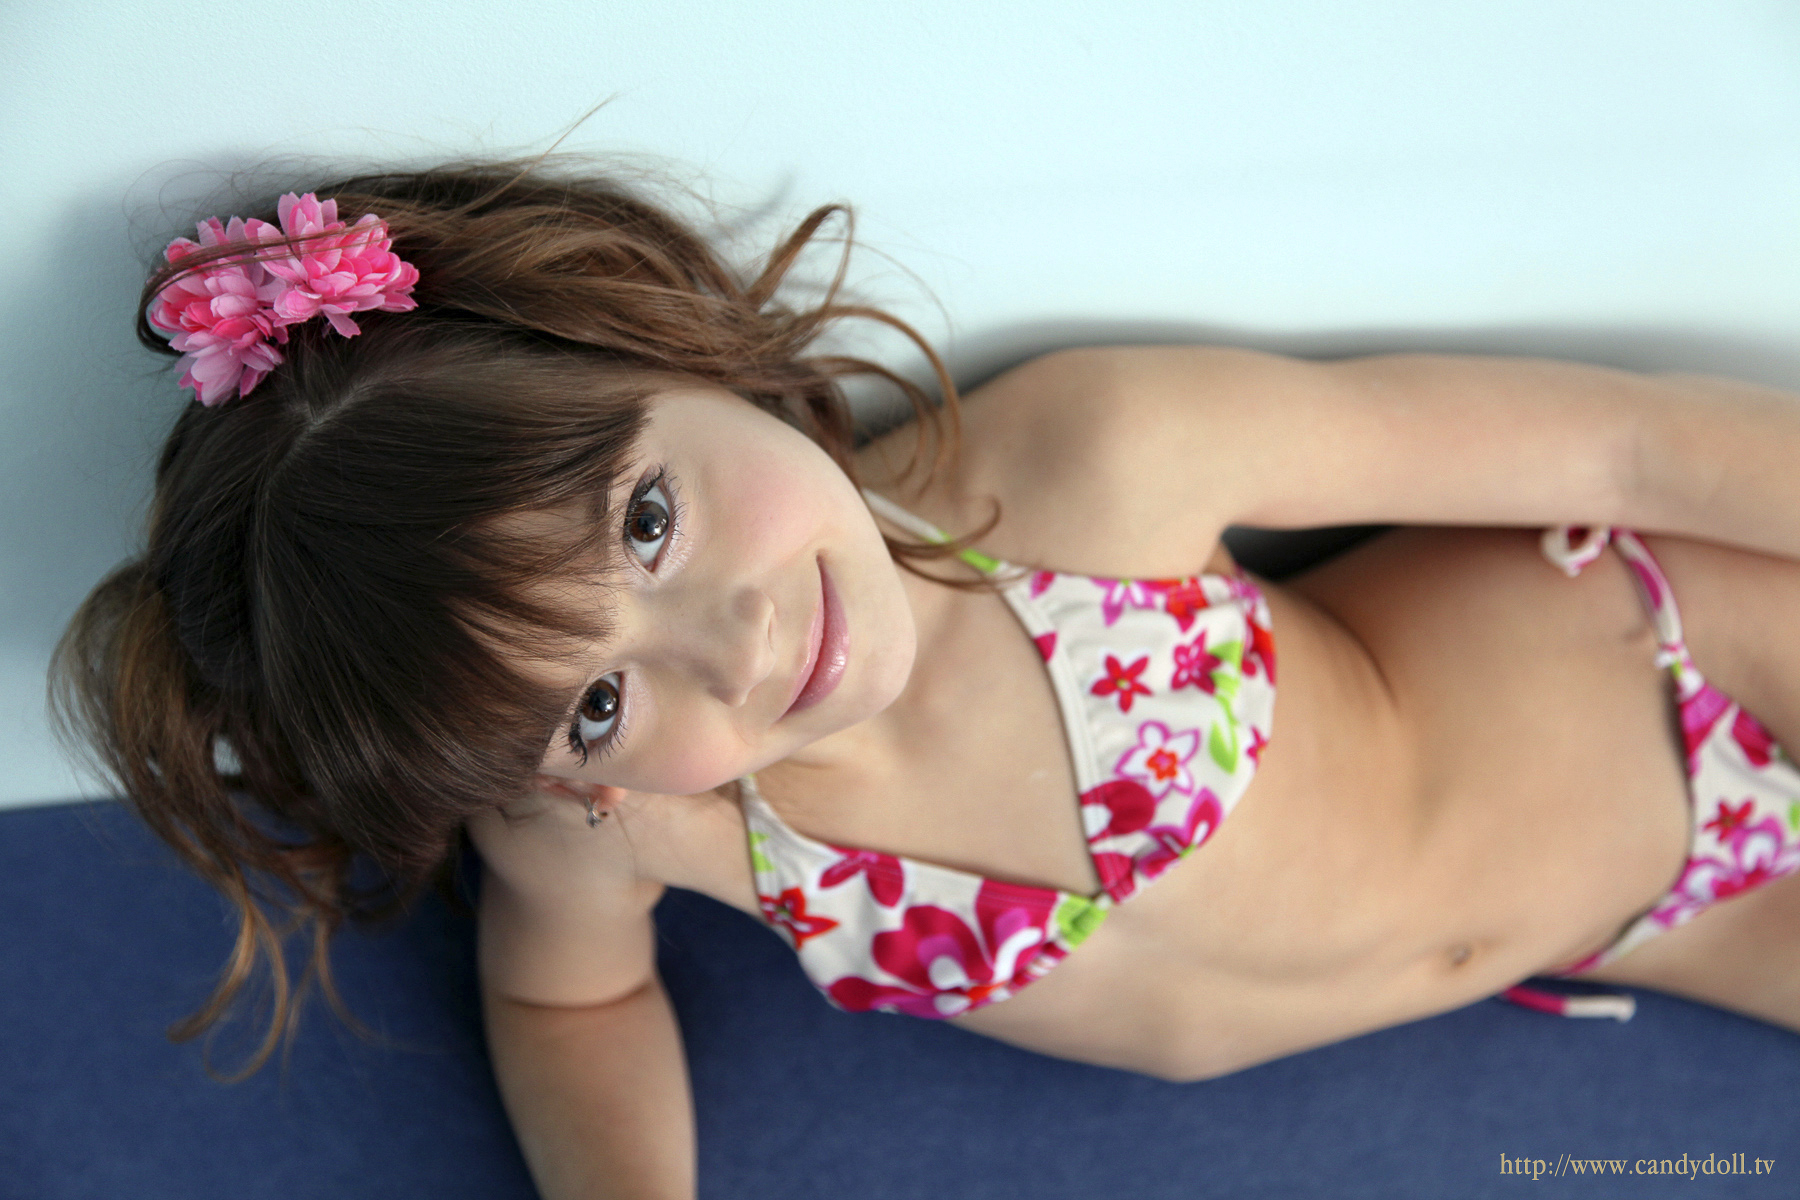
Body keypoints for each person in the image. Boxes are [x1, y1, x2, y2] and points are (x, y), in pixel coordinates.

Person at [54, 159, 1800, 1200]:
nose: (733, 645)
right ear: (554, 772)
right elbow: (568, 1003)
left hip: (1660, 648)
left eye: (649, 520)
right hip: (1642, 915)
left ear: (660, 351)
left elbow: (1630, 446)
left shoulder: (1088, 473)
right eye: (596, 702)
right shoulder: (625, 828)